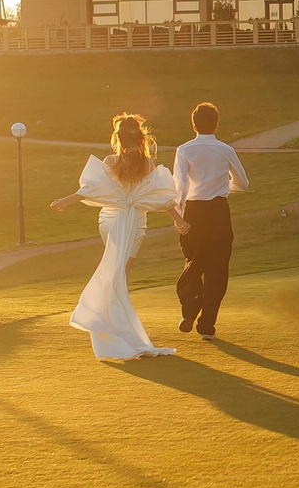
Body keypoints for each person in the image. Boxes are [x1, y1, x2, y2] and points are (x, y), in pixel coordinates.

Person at [51, 113, 178, 360]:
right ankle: (116, 329)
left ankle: (112, 326)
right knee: (119, 275)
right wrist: (179, 219)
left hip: (118, 219)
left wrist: (67, 200)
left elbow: (95, 189)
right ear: (141, 138)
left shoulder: (131, 163)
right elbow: (159, 197)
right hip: (124, 220)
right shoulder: (140, 164)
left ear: (117, 138)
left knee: (117, 275)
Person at [170, 100, 249, 341]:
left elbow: (180, 186)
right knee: (217, 270)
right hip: (218, 212)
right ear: (217, 124)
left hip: (193, 211)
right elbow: (243, 184)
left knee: (193, 262)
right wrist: (224, 187)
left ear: (193, 124)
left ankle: (190, 309)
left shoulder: (184, 150)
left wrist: (180, 216)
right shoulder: (226, 150)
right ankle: (207, 325)